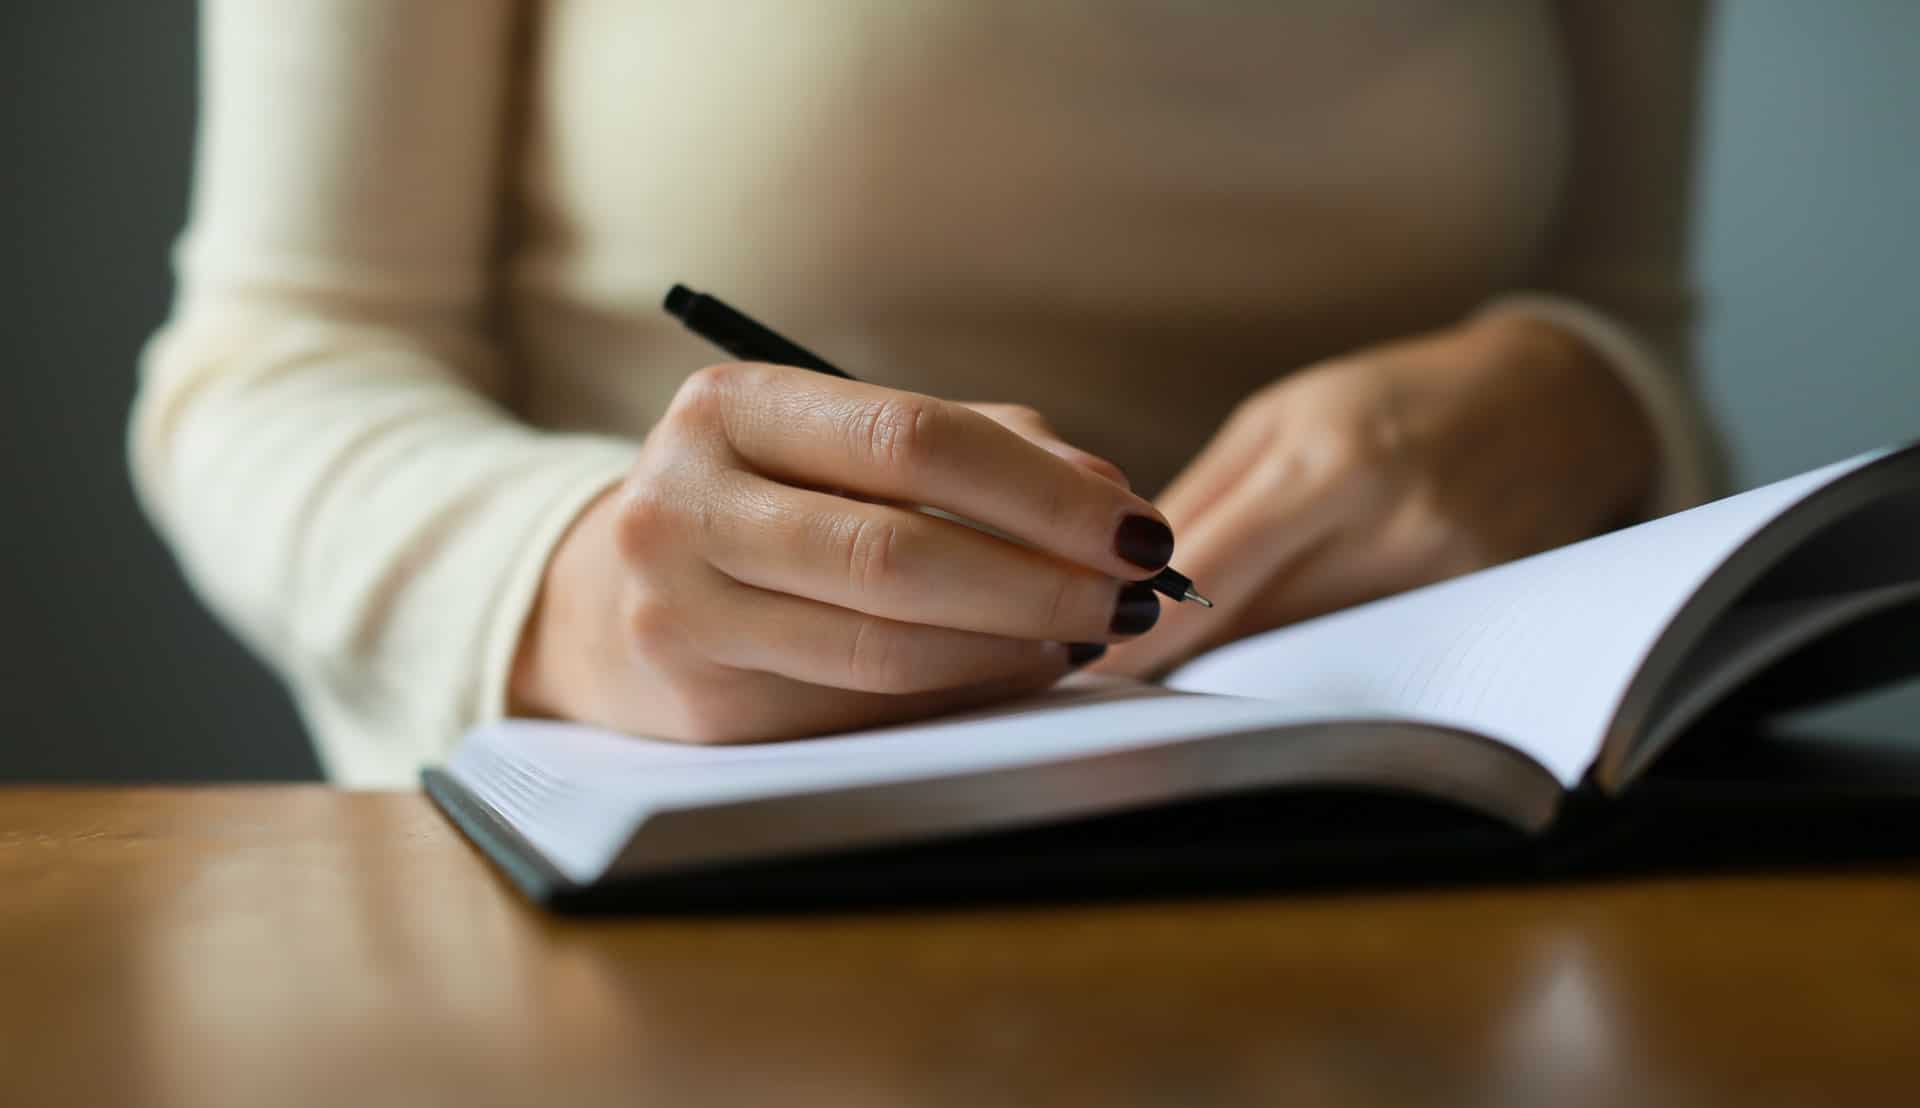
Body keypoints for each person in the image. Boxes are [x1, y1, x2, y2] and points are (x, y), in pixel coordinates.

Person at [131, 1, 1720, 786]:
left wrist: (1591, 395)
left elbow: (1631, 325)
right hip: (711, 906)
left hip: (1438, 882)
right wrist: (584, 591)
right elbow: (272, 369)